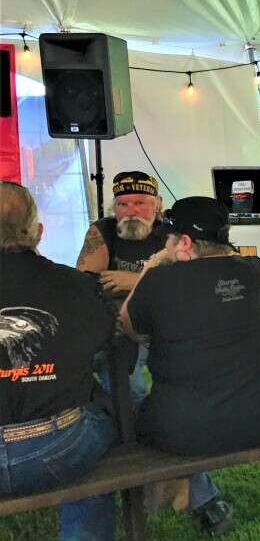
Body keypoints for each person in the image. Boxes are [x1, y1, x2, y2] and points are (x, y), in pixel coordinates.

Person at [119, 197, 260, 533]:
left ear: (185, 243)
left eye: (168, 239)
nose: (165, 246)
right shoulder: (257, 269)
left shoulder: (160, 281)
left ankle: (207, 503)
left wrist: (152, 265)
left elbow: (130, 327)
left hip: (187, 430)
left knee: (137, 410)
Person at [0, 181, 119, 541]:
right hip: (57, 447)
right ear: (38, 231)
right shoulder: (75, 285)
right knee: (106, 415)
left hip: (49, 442)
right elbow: (109, 347)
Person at [76, 170, 165, 402]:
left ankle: (136, 417)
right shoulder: (102, 231)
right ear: (114, 208)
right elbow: (84, 284)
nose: (131, 211)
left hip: (156, 325)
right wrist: (153, 284)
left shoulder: (169, 235)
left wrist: (133, 281)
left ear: (157, 205)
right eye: (122, 204)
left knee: (129, 377)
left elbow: (182, 286)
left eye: (140, 203)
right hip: (112, 325)